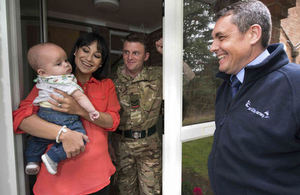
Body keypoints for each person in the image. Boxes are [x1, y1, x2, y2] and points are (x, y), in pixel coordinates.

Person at [208, 0, 300, 195]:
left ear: (253, 34)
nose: (213, 47)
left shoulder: (294, 83)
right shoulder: (227, 85)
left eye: (221, 37)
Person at [13, 32, 120, 195]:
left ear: (100, 64)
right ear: (75, 51)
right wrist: (63, 134)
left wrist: (78, 110)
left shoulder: (106, 85)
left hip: (97, 177)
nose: (89, 58)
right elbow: (21, 118)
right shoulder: (50, 80)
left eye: (97, 55)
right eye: (85, 50)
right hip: (57, 182)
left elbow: (113, 121)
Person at [24, 43, 100, 175]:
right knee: (81, 137)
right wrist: (91, 111)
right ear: (75, 52)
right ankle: (52, 157)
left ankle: (32, 160)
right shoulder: (66, 81)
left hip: (44, 114)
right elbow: (80, 97)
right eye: (59, 64)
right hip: (64, 118)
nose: (65, 65)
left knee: (37, 139)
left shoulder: (42, 81)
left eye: (65, 61)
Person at [111, 33, 162, 195]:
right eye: (126, 52)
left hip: (149, 147)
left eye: (135, 53)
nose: (130, 57)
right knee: (126, 191)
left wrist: (167, 53)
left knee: (151, 192)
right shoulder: (112, 80)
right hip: (122, 146)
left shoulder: (157, 76)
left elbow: (189, 76)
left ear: (146, 56)